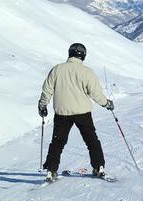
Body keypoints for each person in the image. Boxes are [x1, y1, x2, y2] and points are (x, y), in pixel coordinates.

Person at [38, 42, 114, 182]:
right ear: (83, 56)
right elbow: (96, 94)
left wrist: (42, 105)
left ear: (69, 53)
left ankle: (51, 170)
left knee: (58, 142)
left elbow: (47, 90)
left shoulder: (57, 69)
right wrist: (106, 104)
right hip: (82, 113)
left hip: (62, 112)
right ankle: (99, 167)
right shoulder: (87, 72)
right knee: (91, 140)